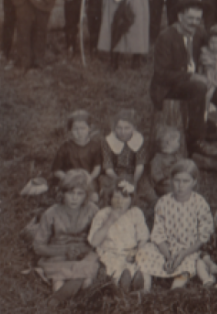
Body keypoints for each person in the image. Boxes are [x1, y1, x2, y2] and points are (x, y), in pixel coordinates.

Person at [150, 0, 217, 161]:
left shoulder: (200, 34)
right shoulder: (166, 37)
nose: (194, 22)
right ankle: (196, 140)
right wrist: (193, 76)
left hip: (203, 83)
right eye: (190, 18)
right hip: (170, 88)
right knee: (199, 88)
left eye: (198, 19)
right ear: (180, 17)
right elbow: (161, 74)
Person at [135, 160, 215, 290]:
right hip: (166, 248)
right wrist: (169, 256)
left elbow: (203, 235)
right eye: (177, 180)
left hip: (188, 250)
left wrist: (182, 254)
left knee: (190, 263)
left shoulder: (200, 203)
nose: (180, 186)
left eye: (185, 181)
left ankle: (176, 288)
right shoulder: (163, 202)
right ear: (171, 180)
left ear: (194, 182)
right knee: (144, 252)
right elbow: (158, 233)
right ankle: (145, 286)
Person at [27, 170, 100, 301]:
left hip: (83, 253)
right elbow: (38, 246)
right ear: (62, 193)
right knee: (58, 281)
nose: (75, 198)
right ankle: (63, 295)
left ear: (86, 195)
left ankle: (76, 292)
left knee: (87, 280)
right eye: (70, 193)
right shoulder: (51, 213)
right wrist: (64, 251)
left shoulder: (92, 210)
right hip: (58, 254)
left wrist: (85, 250)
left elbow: (100, 238)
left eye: (80, 194)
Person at [88, 180, 150, 292]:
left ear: (131, 200)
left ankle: (141, 286)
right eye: (116, 197)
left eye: (125, 198)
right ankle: (122, 284)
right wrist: (110, 220)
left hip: (131, 252)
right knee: (115, 268)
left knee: (143, 264)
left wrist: (136, 251)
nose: (120, 202)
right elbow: (94, 242)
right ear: (110, 199)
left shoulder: (135, 213)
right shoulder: (103, 214)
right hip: (110, 252)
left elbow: (143, 236)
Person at [52, 110, 103, 198]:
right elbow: (56, 170)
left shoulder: (95, 146)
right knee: (64, 197)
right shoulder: (65, 147)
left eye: (83, 128)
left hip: (88, 180)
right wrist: (68, 179)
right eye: (75, 129)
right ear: (70, 130)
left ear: (89, 128)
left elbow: (97, 167)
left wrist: (90, 178)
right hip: (69, 179)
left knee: (94, 198)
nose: (79, 132)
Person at [101, 108, 146, 198]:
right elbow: (108, 167)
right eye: (119, 128)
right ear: (114, 128)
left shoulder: (138, 140)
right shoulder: (109, 140)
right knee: (110, 195)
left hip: (135, 175)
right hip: (114, 175)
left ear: (134, 127)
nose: (122, 132)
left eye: (127, 128)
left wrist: (134, 182)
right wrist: (119, 181)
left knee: (147, 195)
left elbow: (139, 165)